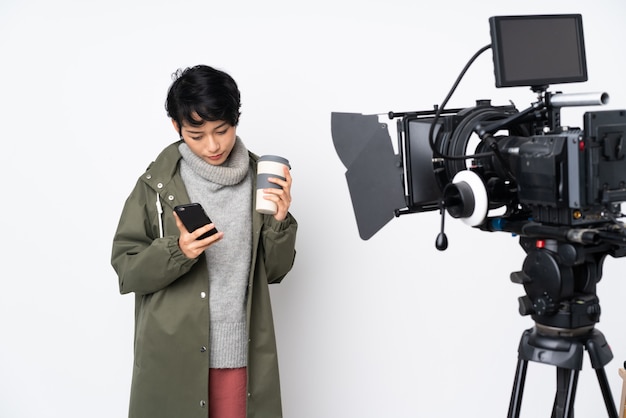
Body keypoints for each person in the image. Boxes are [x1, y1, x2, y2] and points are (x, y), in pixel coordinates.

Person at [111, 64, 298, 418]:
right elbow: (127, 272)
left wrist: (279, 222)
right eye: (197, 135)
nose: (213, 145)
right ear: (177, 128)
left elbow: (275, 272)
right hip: (173, 359)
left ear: (235, 121)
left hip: (241, 360)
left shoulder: (262, 180)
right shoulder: (154, 186)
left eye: (222, 130)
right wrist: (178, 251)